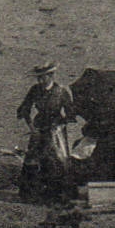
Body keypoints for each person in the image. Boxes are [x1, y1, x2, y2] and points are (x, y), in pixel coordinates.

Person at [17, 63, 73, 197]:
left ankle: (56, 193)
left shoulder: (61, 91)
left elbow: (70, 114)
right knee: (33, 159)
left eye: (43, 78)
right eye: (38, 78)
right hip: (39, 127)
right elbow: (24, 109)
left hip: (56, 129)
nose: (40, 81)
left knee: (58, 160)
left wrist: (61, 125)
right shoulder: (34, 90)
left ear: (51, 76)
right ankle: (30, 192)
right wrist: (31, 127)